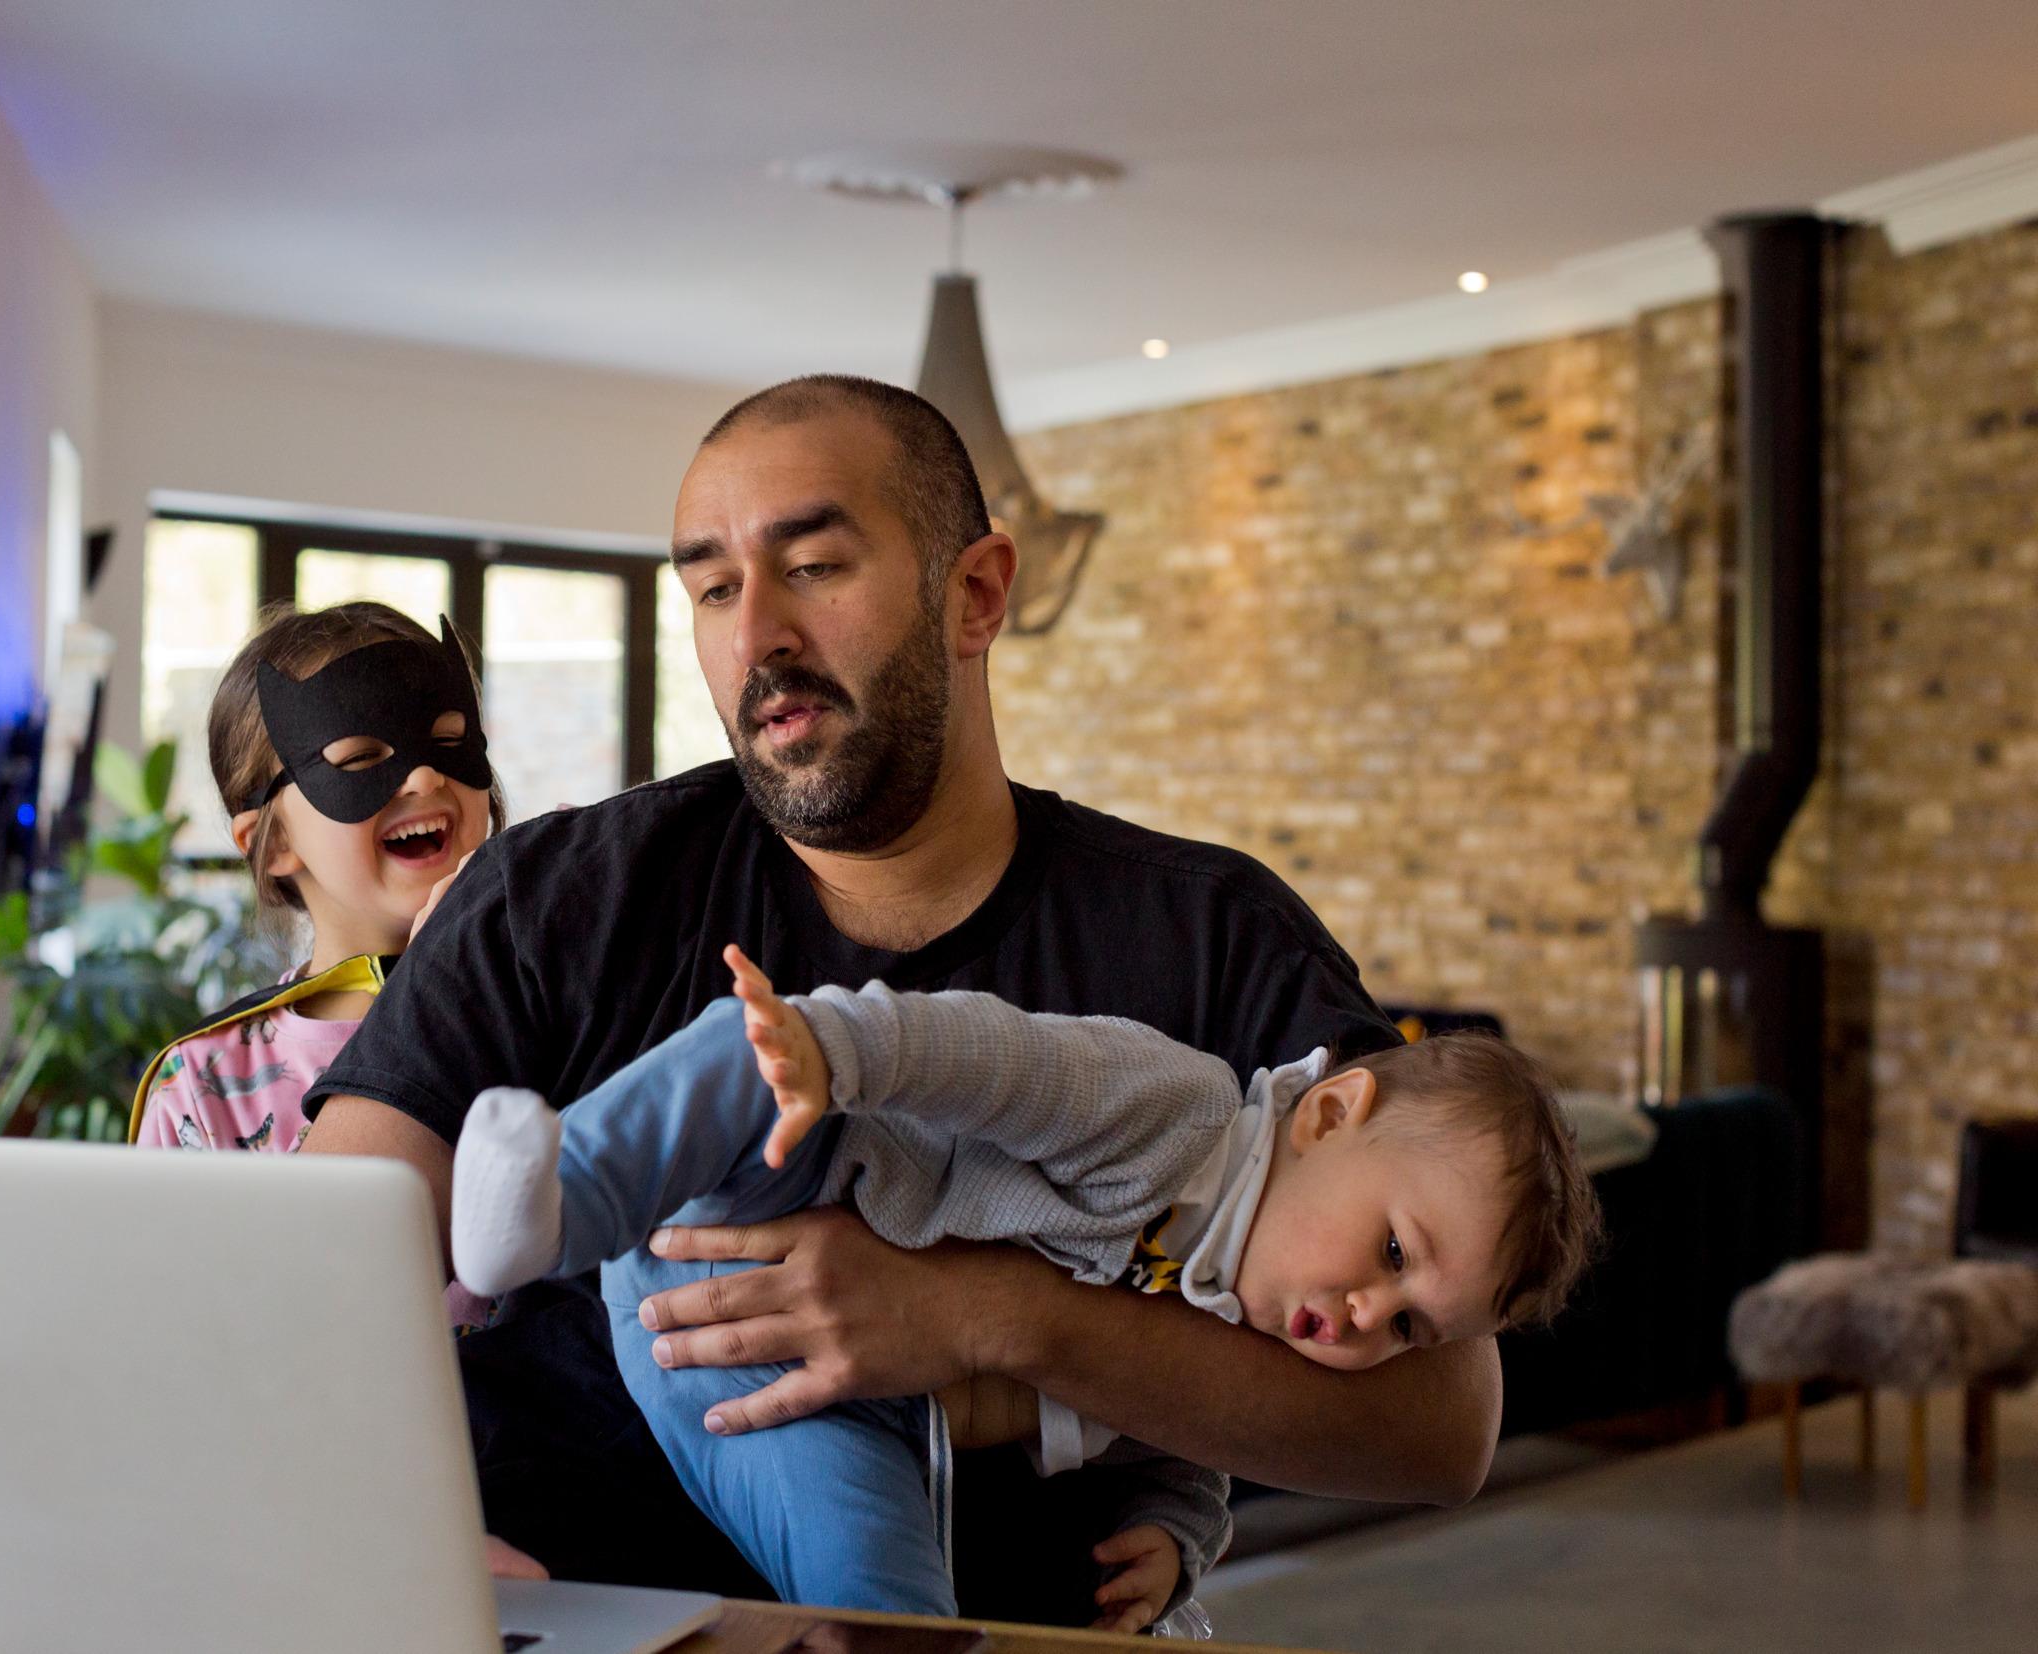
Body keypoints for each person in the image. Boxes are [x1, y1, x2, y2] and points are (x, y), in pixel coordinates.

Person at [302, 374, 1510, 1624]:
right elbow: (306, 1276)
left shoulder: (1208, 936)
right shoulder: (558, 893)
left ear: (975, 594)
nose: (754, 632)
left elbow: (1437, 1429)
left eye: (813, 565)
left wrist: (991, 1317)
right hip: (575, 1610)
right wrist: (403, 1532)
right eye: (713, 587)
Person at [449, 945, 1597, 1628]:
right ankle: (551, 1200)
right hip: (773, 1189)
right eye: (1391, 1254)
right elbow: (989, 1054)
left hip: (774, 1389)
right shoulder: (1174, 1116)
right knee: (746, 1055)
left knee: (884, 1603)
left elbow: (1185, 1438)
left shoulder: (1241, 1319)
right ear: (1331, 1114)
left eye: (1407, 1329)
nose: (1363, 1317)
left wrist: (1173, 1531)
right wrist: (832, 1052)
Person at [128, 601, 501, 1157]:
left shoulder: (564, 1007)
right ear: (273, 843)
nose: (425, 776)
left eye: (449, 741)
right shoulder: (208, 1089)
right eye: (359, 760)